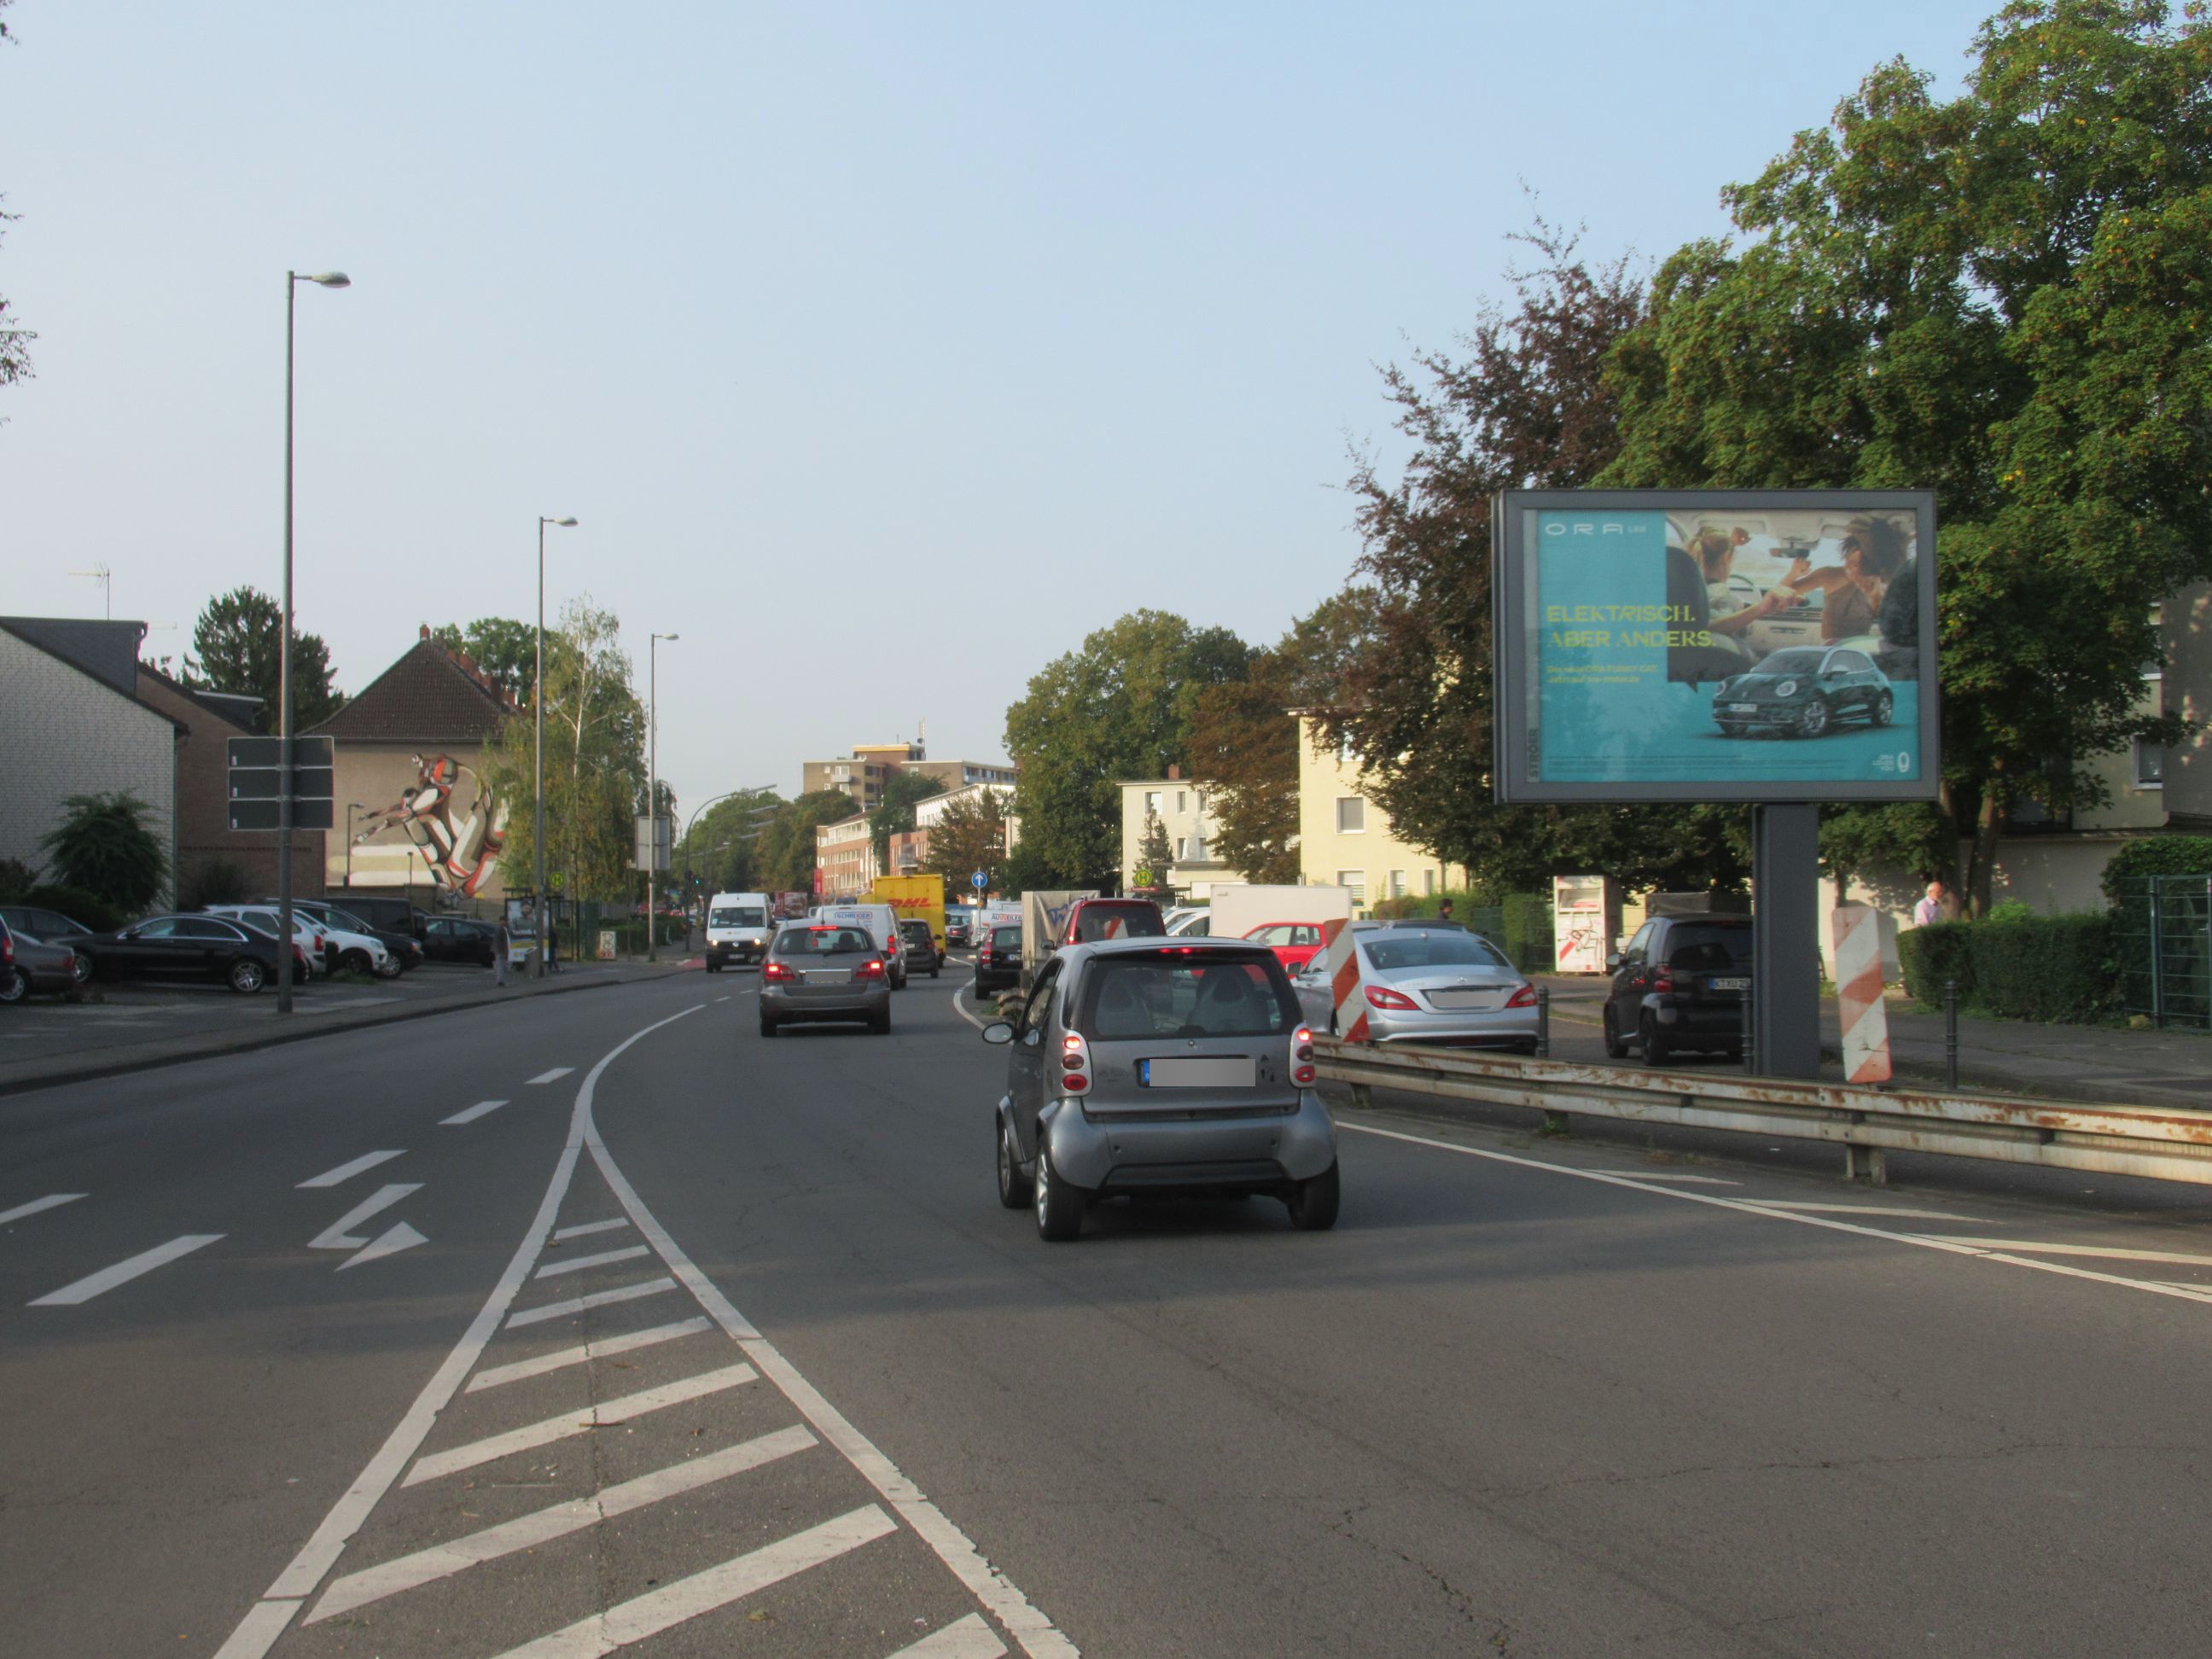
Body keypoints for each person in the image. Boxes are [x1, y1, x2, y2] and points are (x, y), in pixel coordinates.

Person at [1776, 515, 1909, 643]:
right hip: (1834, 646)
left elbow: (1895, 620)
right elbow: (1779, 595)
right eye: (1852, 562)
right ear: (1846, 556)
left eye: (1860, 563)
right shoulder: (1830, 575)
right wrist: (1793, 573)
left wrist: (1875, 597)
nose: (1854, 569)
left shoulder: (1881, 583)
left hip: (1857, 646)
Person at [494, 916, 509, 986]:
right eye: (506, 921)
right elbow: (498, 941)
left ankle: (500, 980)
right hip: (500, 950)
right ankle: (500, 981)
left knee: (501, 965)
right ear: (501, 921)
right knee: (500, 966)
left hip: (501, 950)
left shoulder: (502, 928)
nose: (507, 922)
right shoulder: (499, 929)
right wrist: (502, 951)